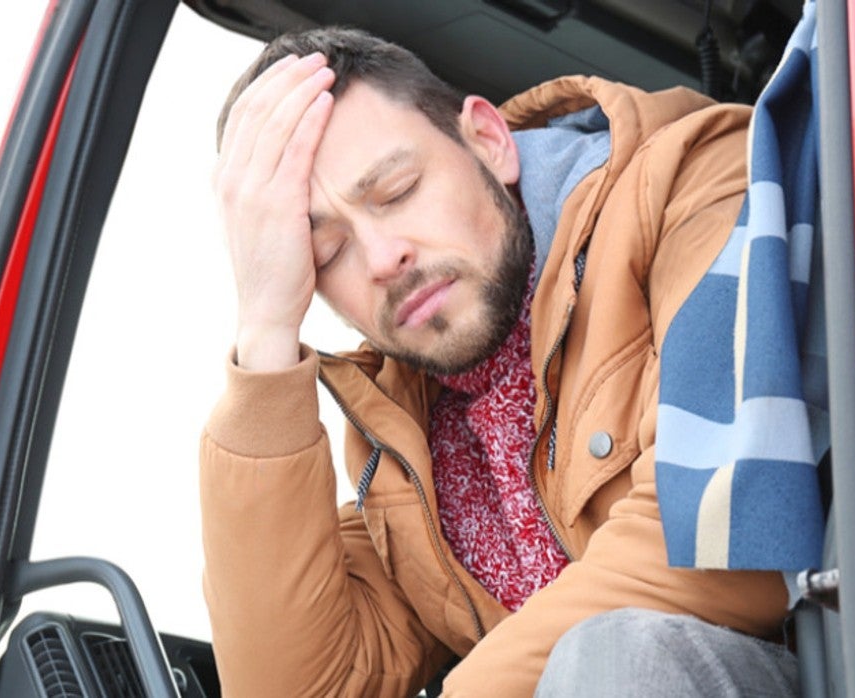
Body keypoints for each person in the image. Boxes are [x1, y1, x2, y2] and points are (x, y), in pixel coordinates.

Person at [199, 26, 803, 697]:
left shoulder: (695, 182)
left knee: (617, 661)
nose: (380, 259)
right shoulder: (406, 464)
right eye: (327, 253)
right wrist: (265, 329)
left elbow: (723, 540)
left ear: (488, 141)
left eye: (397, 190)